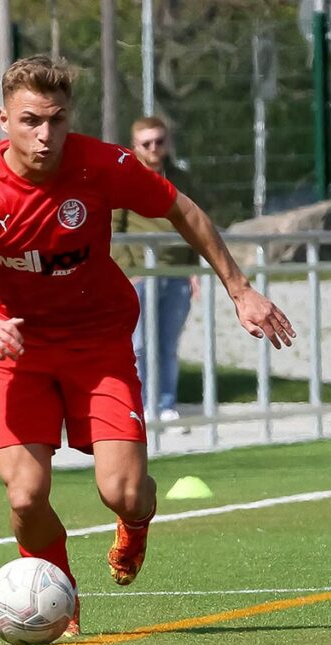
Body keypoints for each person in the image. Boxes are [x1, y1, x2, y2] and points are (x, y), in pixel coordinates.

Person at [0, 55, 294, 636]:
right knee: (24, 495)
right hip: (18, 352)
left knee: (124, 491)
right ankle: (61, 602)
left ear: (70, 120)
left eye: (56, 120)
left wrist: (241, 291)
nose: (45, 135)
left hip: (98, 344)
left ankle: (135, 524)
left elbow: (182, 211)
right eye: (30, 120)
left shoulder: (101, 164)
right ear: (4, 121)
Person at [112, 116, 201, 425]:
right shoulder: (126, 178)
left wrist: (194, 270)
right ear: (135, 146)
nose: (154, 149)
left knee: (168, 344)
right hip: (139, 273)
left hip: (176, 272)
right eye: (146, 143)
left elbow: (194, 224)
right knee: (138, 346)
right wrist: (128, 271)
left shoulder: (181, 178)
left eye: (159, 142)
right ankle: (139, 405)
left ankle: (165, 405)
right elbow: (113, 228)